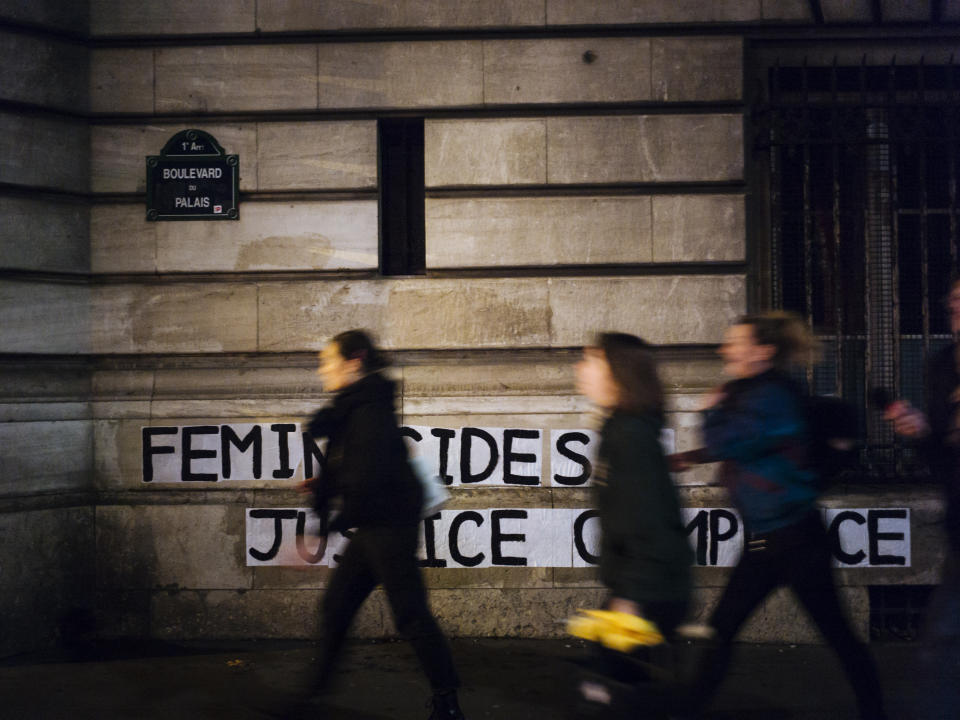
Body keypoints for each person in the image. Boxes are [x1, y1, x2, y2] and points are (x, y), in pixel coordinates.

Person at [677, 312, 887, 720]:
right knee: (723, 628)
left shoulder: (771, 397)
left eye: (736, 343)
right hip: (766, 540)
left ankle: (875, 711)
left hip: (795, 540)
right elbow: (750, 444)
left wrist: (710, 410)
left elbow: (729, 440)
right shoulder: (753, 392)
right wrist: (689, 455)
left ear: (763, 352)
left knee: (836, 633)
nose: (725, 349)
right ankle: (686, 709)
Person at [295, 329, 465, 720]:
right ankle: (311, 697)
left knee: (410, 614)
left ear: (354, 361)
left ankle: (448, 702)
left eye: (328, 361)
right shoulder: (357, 405)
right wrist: (327, 486)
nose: (323, 370)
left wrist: (329, 522)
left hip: (387, 526)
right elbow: (354, 465)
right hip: (376, 525)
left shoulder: (367, 408)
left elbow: (368, 476)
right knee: (337, 606)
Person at [573, 332, 693, 714]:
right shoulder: (620, 429)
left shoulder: (630, 436)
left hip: (649, 588)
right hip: (643, 585)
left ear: (616, 373)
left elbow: (650, 521)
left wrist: (632, 597)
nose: (581, 367)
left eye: (592, 360)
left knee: (609, 690)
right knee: (620, 685)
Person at [884, 278, 960, 717]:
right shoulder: (942, 365)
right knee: (940, 645)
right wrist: (922, 431)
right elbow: (939, 455)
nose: (954, 306)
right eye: (952, 299)